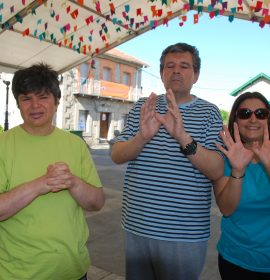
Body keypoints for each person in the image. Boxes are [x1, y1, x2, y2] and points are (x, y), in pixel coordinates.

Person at [110, 42, 224, 280]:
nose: (176, 71)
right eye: (169, 66)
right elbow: (117, 154)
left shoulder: (209, 112)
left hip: (185, 235)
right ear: (161, 73)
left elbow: (217, 169)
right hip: (137, 227)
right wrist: (142, 136)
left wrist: (183, 137)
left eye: (184, 66)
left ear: (196, 74)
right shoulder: (144, 106)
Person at [0, 63, 105, 280]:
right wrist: (41, 185)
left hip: (73, 271)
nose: (35, 105)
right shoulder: (3, 145)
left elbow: (96, 203)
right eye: (26, 98)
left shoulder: (75, 145)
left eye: (43, 97)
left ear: (57, 102)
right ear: (18, 104)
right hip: (18, 274)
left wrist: (73, 183)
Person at [214, 91, 270, 279]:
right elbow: (227, 209)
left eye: (261, 113)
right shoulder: (226, 157)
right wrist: (237, 170)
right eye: (245, 113)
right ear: (235, 120)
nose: (253, 119)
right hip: (235, 258)